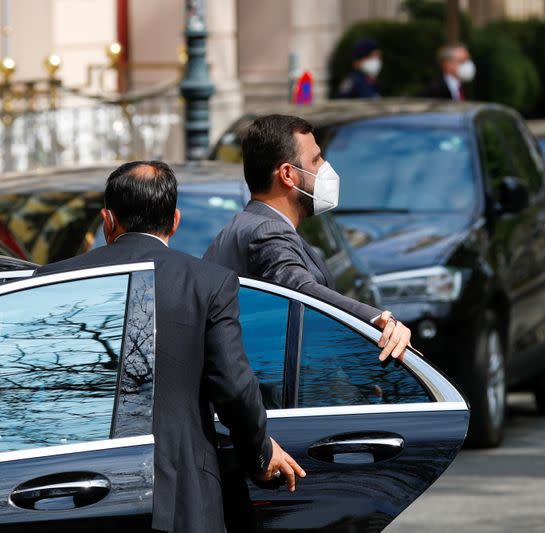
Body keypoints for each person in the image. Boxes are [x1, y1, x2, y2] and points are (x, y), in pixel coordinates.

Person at [35, 161, 305, 533]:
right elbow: (233, 386)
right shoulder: (209, 283)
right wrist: (259, 453)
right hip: (179, 496)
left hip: (66, 491)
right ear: (175, 221)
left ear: (108, 221)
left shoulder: (51, 282)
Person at [204, 114, 411, 362]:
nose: (325, 167)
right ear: (288, 174)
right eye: (315, 160)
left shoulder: (252, 224)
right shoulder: (266, 231)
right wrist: (377, 319)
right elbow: (301, 292)